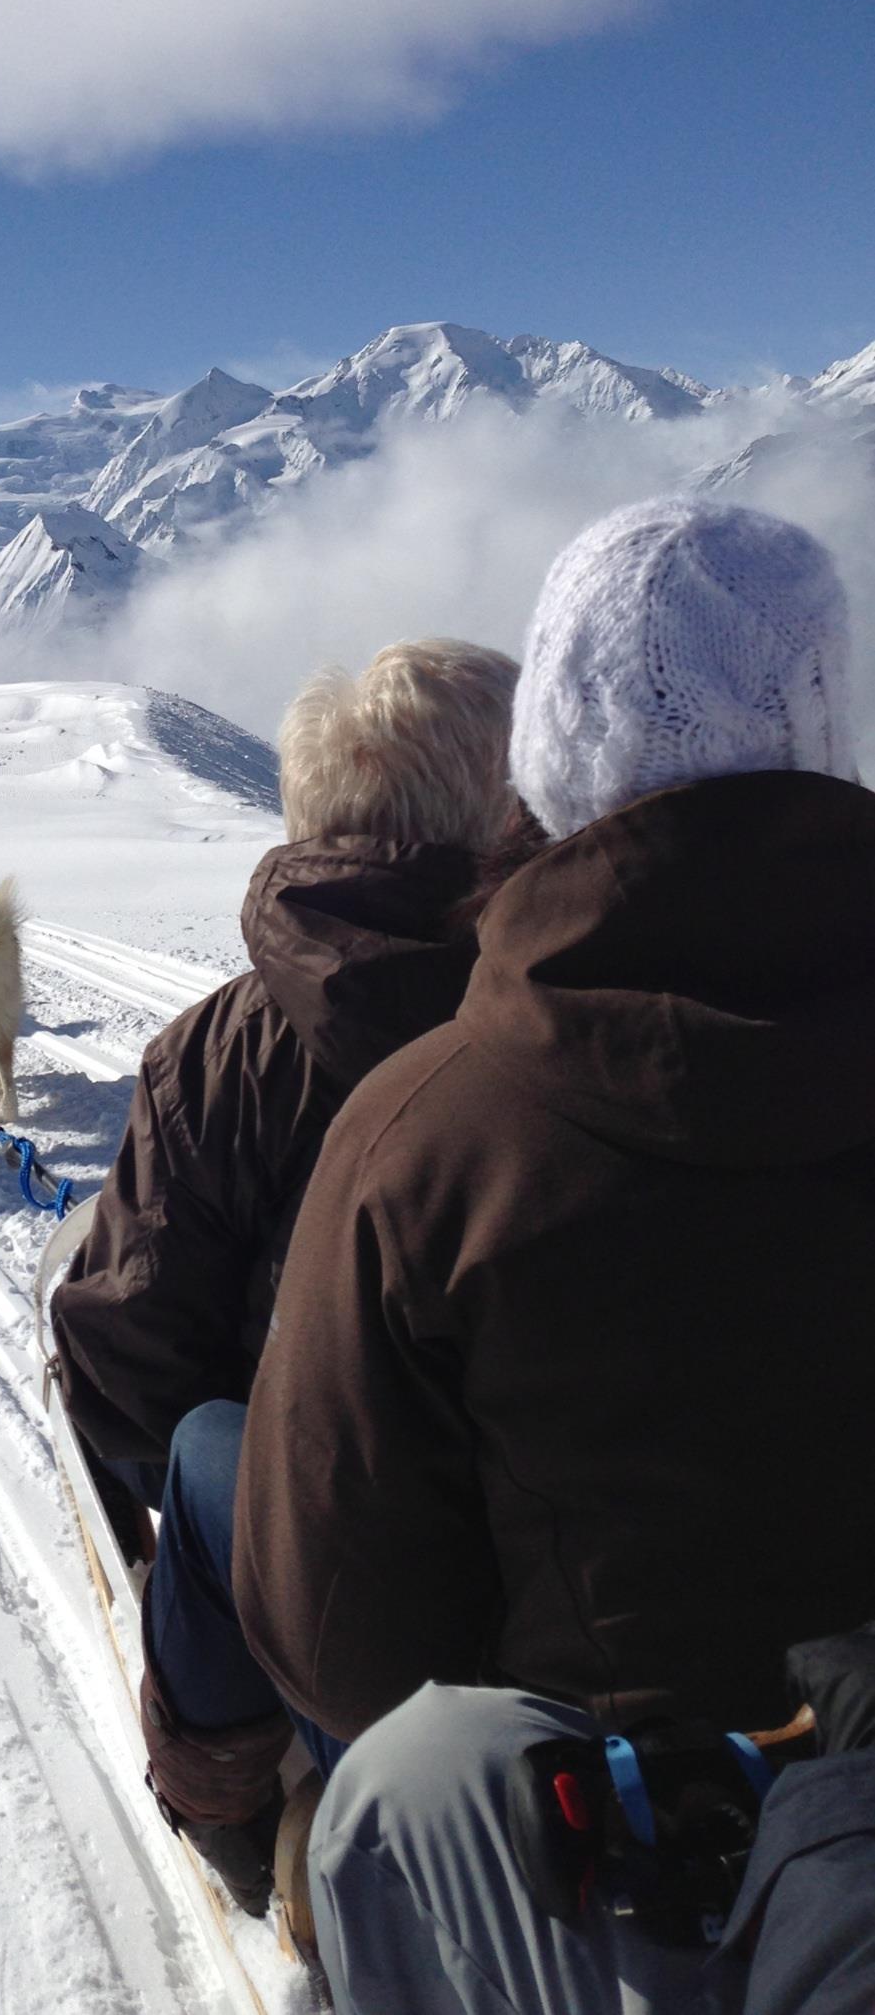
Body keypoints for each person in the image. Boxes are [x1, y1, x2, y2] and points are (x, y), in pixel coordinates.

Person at [230, 498, 875, 2012]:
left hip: (612, 1880)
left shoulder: (426, 1134)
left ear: (552, 757)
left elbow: (332, 1628)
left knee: (405, 1784)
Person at [51, 639, 521, 1910]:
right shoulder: (572, 1013)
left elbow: (129, 1347)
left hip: (344, 1596)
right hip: (561, 1572)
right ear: (502, 811)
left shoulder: (214, 1051)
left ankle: (224, 1786)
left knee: (206, 1440)